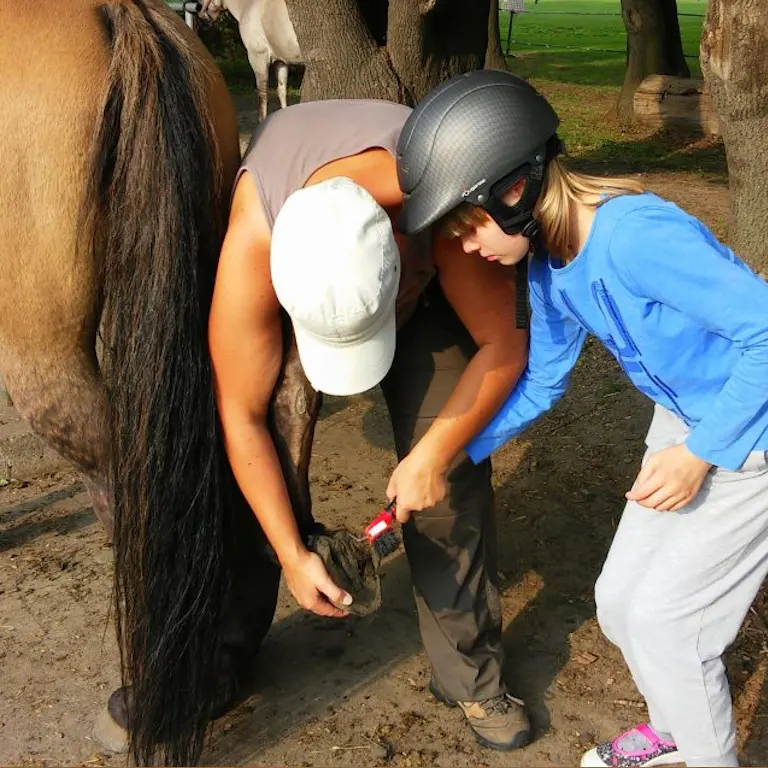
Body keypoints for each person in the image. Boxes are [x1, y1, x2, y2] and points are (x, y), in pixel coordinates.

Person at [394, 69, 768, 768]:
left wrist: (701, 453)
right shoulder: (551, 266)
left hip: (751, 432)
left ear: (514, 190)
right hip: (688, 418)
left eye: (468, 227)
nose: (468, 248)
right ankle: (675, 730)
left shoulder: (634, 238)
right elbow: (540, 381)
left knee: (668, 623)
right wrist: (447, 456)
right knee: (620, 600)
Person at [208, 98, 533, 750]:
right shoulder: (256, 242)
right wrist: (292, 552)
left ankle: (469, 670)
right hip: (317, 248)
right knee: (255, 460)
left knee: (451, 473)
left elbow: (506, 345)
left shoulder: (442, 207)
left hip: (424, 253)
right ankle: (228, 646)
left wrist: (432, 452)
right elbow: (240, 416)